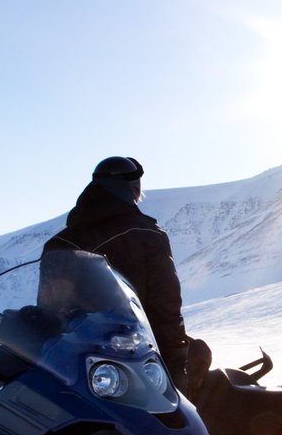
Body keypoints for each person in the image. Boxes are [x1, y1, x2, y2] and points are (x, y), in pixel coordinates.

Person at [44, 156, 210, 397]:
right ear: (132, 187)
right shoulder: (146, 233)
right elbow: (165, 304)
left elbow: (49, 309)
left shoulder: (60, 243)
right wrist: (176, 361)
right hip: (138, 356)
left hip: (78, 364)